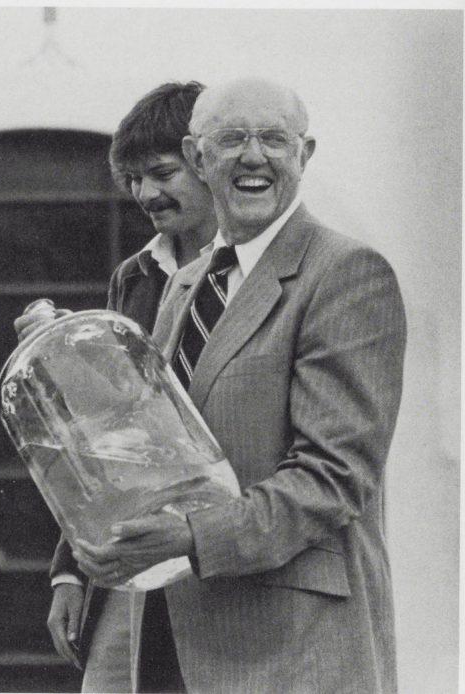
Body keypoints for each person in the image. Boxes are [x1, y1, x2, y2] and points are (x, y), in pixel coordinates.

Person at [72, 77, 406, 692]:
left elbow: (333, 477)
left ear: (304, 155)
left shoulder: (347, 274)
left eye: (275, 140)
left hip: (294, 648)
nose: (254, 157)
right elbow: (161, 457)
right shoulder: (184, 285)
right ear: (201, 159)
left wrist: (191, 535)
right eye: (231, 140)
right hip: (174, 644)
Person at [17, 81, 216, 692]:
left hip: (223, 550)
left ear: (206, 161)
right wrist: (70, 574)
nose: (146, 194)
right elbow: (101, 440)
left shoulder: (250, 272)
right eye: (132, 179)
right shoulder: (133, 277)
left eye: (162, 173)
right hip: (133, 559)